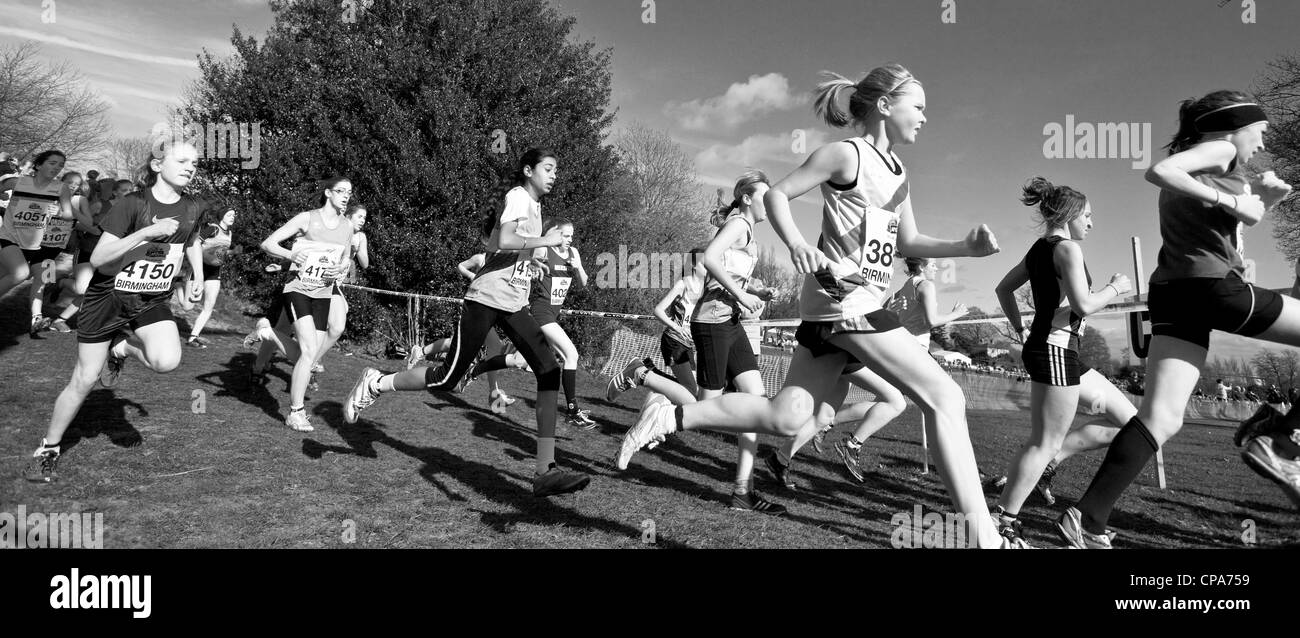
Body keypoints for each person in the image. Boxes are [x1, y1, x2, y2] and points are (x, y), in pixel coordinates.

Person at [616, 64, 1016, 547]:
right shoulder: (845, 155)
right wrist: (799, 245)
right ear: (885, 106)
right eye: (920, 107)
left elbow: (909, 239)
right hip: (844, 298)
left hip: (845, 303)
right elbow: (779, 194)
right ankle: (986, 540)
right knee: (946, 397)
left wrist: (964, 248)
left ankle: (673, 416)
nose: (926, 118)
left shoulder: (899, 172)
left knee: (790, 416)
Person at [1061, 91, 1297, 548]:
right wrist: (1236, 204)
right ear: (1234, 126)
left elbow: (1220, 231)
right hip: (1207, 290)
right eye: (1261, 132)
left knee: (1161, 418)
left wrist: (1260, 198)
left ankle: (1086, 519)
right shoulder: (1221, 149)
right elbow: (1158, 171)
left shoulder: (1210, 167)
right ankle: (1282, 438)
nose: (1262, 145)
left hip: (1173, 293)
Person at [341, 148, 591, 497]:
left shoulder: (533, 207)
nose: (553, 175)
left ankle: (545, 469)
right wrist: (545, 242)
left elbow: (504, 249)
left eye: (555, 170)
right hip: (486, 299)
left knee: (549, 370)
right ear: (528, 170)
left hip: (514, 303)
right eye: (548, 169)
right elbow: (504, 239)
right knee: (446, 379)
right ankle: (377, 382)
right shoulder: (518, 196)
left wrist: (535, 264)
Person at [25, 142, 209, 483]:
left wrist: (196, 275)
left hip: (151, 298)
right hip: (108, 297)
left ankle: (120, 348)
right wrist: (146, 233)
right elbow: (99, 259)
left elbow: (191, 240)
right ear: (157, 165)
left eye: (194, 163)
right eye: (181, 160)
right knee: (83, 380)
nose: (190, 167)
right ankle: (48, 447)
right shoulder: (133, 203)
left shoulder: (194, 206)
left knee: (167, 361)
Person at [983, 177, 1136, 544]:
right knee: (1043, 442)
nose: (1091, 222)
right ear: (1069, 215)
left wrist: (1020, 327)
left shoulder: (1039, 248)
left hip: (1061, 349)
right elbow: (1084, 305)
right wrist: (1116, 287)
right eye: (1088, 215)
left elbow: (1003, 288)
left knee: (1134, 424)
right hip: (1054, 350)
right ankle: (1003, 519)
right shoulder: (1067, 248)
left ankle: (1050, 466)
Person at [254, 176, 355, 432]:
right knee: (309, 351)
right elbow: (268, 244)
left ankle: (268, 332)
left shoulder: (346, 227)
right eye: (341, 191)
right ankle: (296, 413)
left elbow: (344, 260)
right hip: (298, 288)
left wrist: (339, 270)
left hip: (323, 292)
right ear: (328, 193)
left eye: (349, 192)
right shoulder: (307, 218)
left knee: (308, 357)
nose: (346, 196)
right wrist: (291, 254)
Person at [0, 150, 80, 334]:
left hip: (42, 245)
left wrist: (61, 215)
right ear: (39, 164)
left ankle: (36, 317)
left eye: (60, 165)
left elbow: (68, 214)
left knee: (43, 279)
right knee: (20, 273)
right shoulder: (17, 182)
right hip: (9, 237)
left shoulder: (61, 189)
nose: (57, 167)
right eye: (53, 163)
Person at [184, 204, 236, 348]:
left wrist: (233, 252)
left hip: (215, 272)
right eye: (229, 215)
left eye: (234, 215)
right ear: (222, 216)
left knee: (209, 305)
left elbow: (220, 252)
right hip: (199, 269)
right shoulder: (213, 228)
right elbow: (195, 243)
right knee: (188, 307)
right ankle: (177, 286)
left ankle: (193, 337)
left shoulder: (230, 234)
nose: (233, 217)